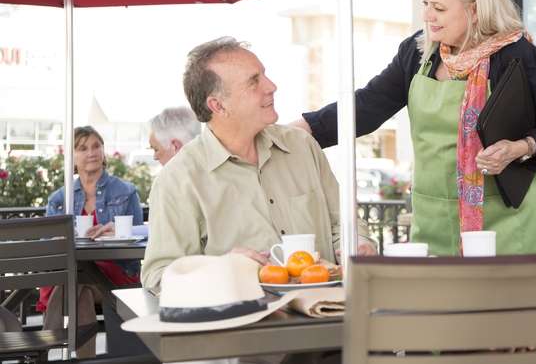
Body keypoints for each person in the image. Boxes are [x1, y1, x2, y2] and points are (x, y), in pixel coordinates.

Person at [295, 0, 536, 256]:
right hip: (434, 223)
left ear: (475, 10)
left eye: (439, 8)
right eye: (425, 4)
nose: (428, 16)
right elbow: (369, 104)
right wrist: (302, 130)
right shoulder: (417, 53)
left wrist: (520, 148)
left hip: (510, 223)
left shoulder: (517, 55)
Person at [141, 37, 376, 293]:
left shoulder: (302, 146)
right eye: (254, 81)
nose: (271, 86)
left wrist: (359, 243)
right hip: (242, 326)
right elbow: (157, 277)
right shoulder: (179, 180)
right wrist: (222, 269)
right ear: (217, 105)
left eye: (264, 75)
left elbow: (343, 223)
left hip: (326, 314)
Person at [44, 125, 144, 357]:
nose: (91, 152)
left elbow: (137, 239)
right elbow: (47, 244)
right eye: (82, 148)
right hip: (77, 278)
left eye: (96, 146)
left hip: (116, 275)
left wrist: (115, 233)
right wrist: (57, 238)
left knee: (77, 281)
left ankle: (45, 347)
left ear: (103, 151)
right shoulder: (60, 199)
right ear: (72, 157)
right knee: (81, 288)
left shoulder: (126, 192)